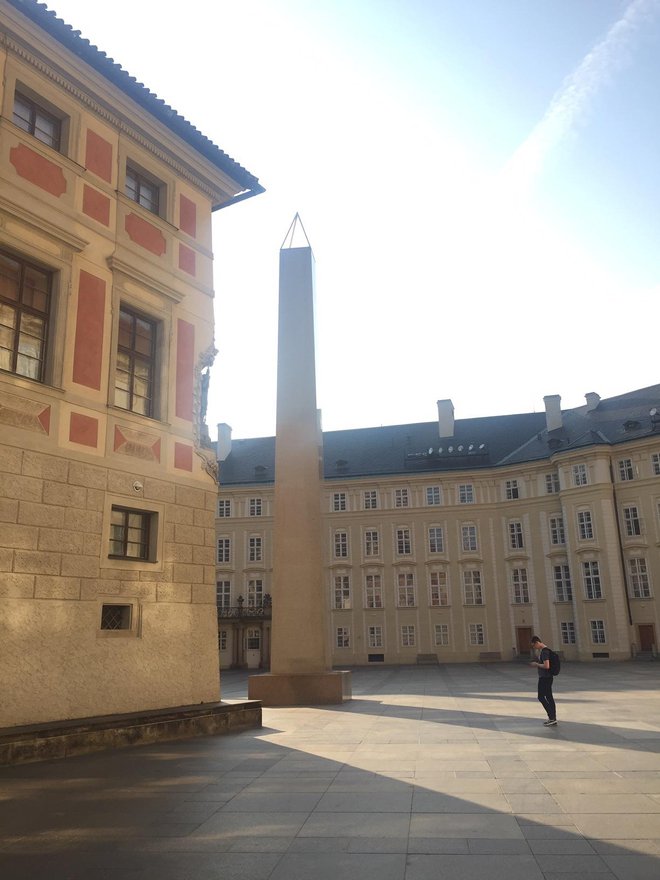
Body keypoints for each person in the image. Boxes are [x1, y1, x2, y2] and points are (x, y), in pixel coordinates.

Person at [530, 635, 557, 726]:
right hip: (547, 677)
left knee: (541, 697)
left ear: (537, 643)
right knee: (549, 697)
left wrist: (536, 664)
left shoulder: (544, 652)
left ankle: (552, 716)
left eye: (534, 645)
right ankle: (552, 718)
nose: (534, 648)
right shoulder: (546, 650)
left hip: (545, 677)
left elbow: (546, 666)